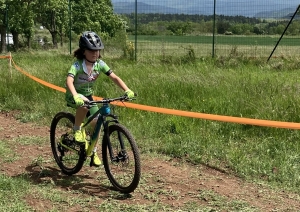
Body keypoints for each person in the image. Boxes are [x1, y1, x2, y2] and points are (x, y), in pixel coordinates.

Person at [65, 31, 135, 167]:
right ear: (83, 51)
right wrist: (75, 95)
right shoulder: (78, 65)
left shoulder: (100, 64)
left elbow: (114, 77)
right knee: (84, 105)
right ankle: (77, 129)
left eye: (97, 50)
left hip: (88, 95)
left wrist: (127, 90)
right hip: (74, 94)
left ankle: (93, 151)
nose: (95, 53)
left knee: (96, 123)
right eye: (91, 50)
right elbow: (69, 80)